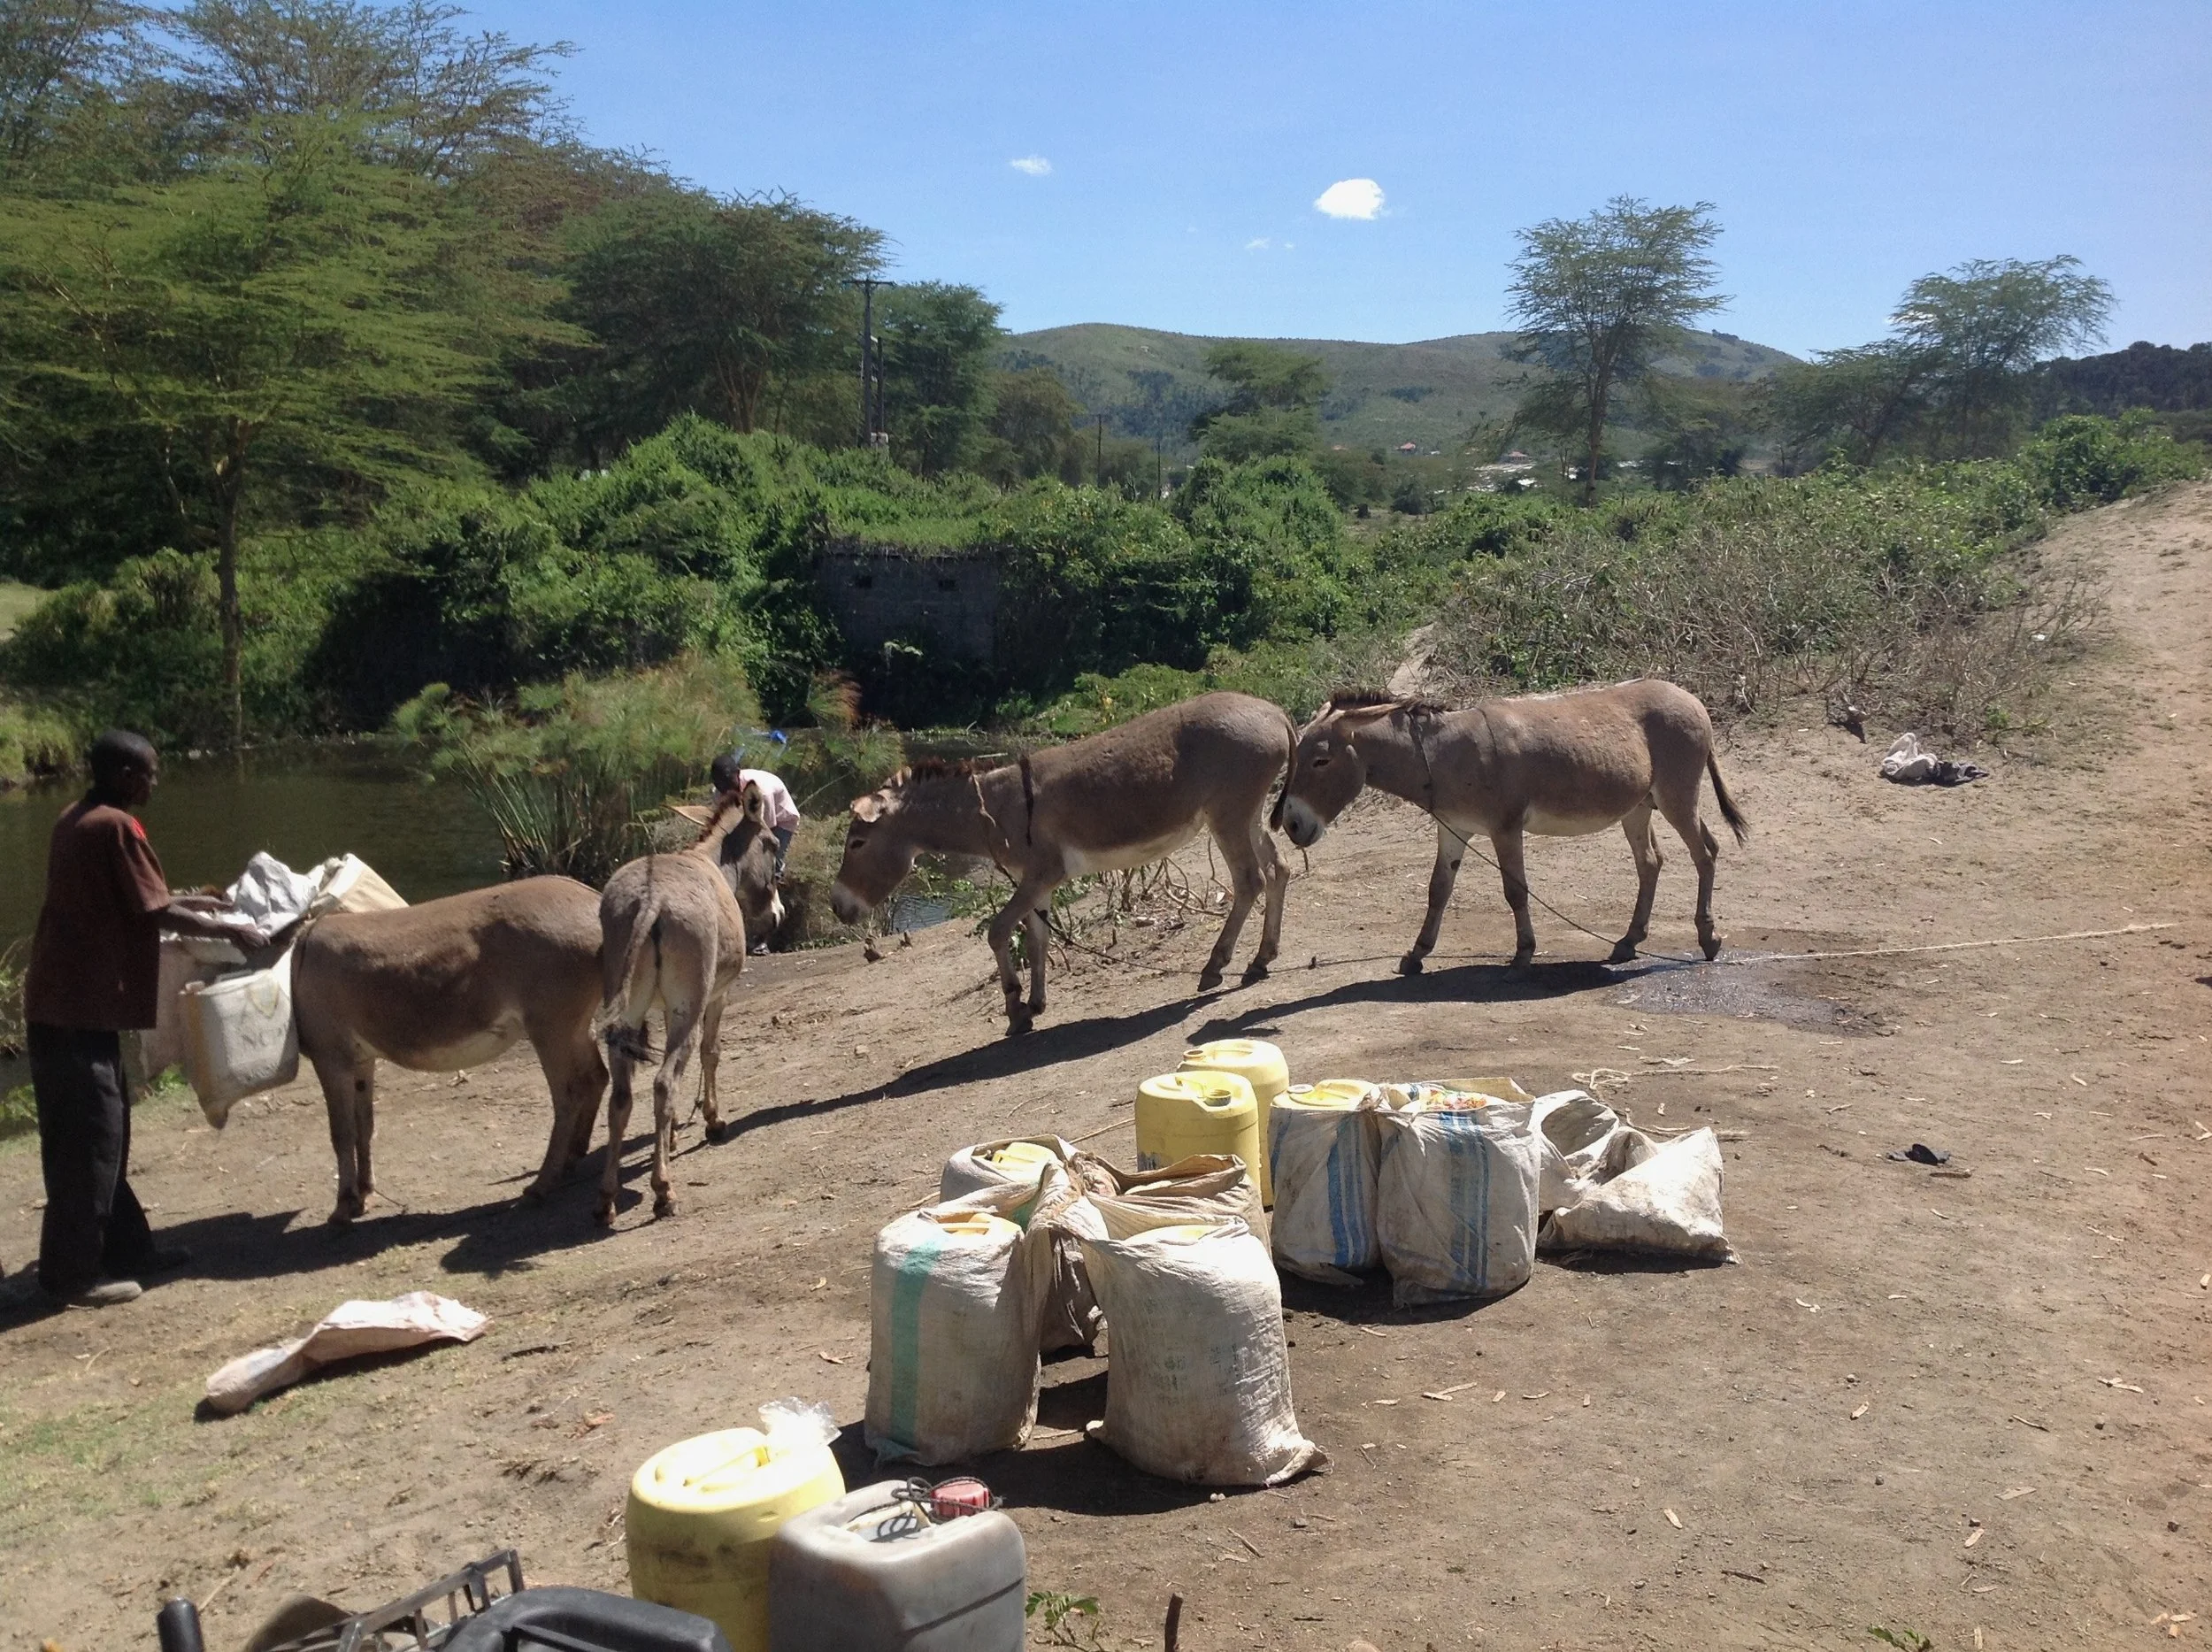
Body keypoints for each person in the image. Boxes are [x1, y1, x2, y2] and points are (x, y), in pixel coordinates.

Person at [20, 730, 267, 1309]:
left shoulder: (75, 817)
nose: (155, 783)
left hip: (64, 1005)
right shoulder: (118, 827)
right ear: (126, 775)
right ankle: (71, 1276)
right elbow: (152, 910)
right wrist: (232, 926)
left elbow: (135, 898)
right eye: (150, 773)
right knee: (91, 1139)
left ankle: (129, 1249)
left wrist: (194, 902)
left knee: (105, 1133)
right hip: (77, 1011)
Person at [708, 743, 800, 955]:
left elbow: (763, 832)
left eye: (729, 784)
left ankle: (763, 939)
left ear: (738, 775)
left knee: (766, 872)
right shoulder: (720, 792)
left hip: (780, 822)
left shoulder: (761, 793)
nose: (727, 791)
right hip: (749, 821)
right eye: (721, 787)